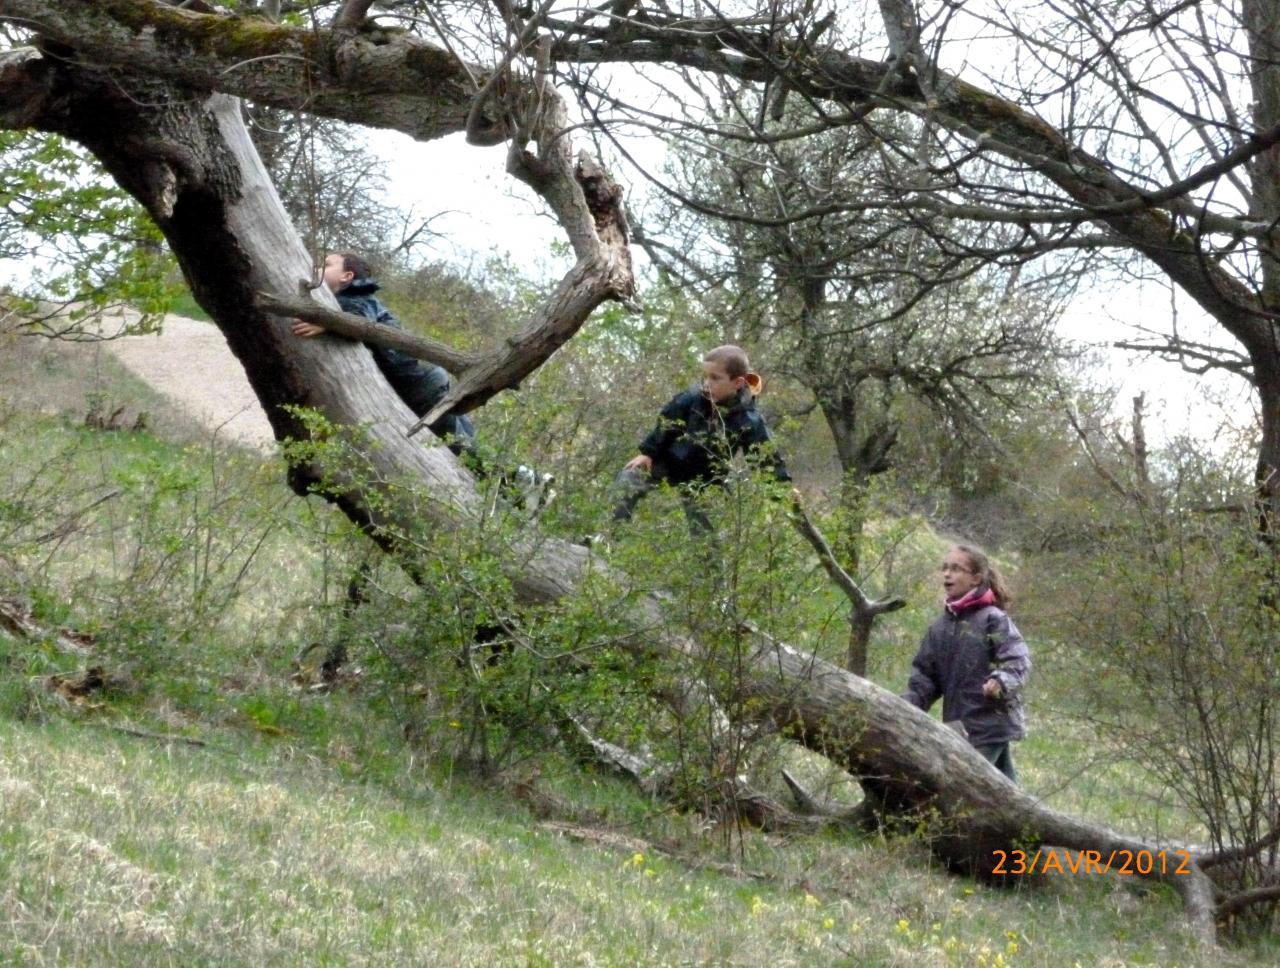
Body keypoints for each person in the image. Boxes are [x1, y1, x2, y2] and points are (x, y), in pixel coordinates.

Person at [291, 252, 475, 452]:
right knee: (463, 437)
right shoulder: (356, 297)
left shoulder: (357, 297)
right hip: (423, 376)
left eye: (326, 265)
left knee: (456, 447)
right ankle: (502, 475)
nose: (317, 268)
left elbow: (362, 322)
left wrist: (326, 323)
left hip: (417, 382)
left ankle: (497, 478)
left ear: (347, 276)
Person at [611, 344, 790, 531]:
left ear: (737, 383)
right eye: (705, 376)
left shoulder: (749, 420)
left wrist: (782, 491)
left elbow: (765, 459)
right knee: (630, 476)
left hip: (706, 482)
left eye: (715, 378)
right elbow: (667, 421)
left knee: (707, 535)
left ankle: (709, 560)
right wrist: (648, 453)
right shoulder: (692, 397)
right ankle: (607, 541)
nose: (706, 383)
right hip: (670, 464)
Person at [902, 543, 1030, 783]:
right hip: (961, 727)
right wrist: (905, 705)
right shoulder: (939, 628)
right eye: (945, 568)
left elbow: (1017, 657)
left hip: (991, 724)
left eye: (956, 569)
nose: (947, 574)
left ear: (976, 579)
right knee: (1006, 791)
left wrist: (1001, 680)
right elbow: (925, 679)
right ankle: (1027, 821)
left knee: (963, 789)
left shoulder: (993, 619)